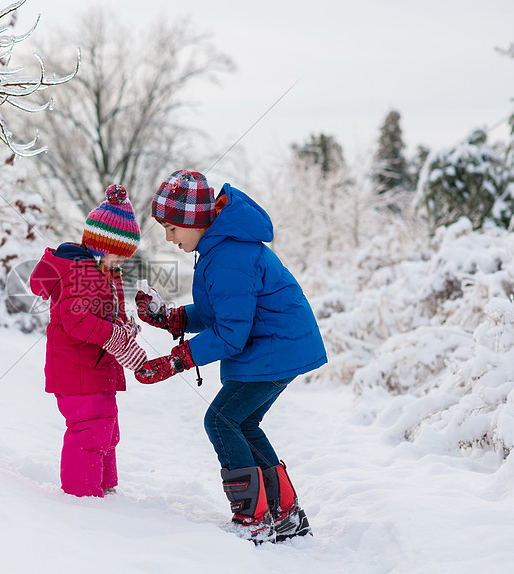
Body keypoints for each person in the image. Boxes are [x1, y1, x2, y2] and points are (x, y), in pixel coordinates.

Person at [134, 170, 327, 543]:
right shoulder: (221, 248)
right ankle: (285, 515)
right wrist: (171, 317)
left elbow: (231, 335)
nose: (169, 238)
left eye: (172, 229)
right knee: (243, 424)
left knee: (221, 422)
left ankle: (253, 519)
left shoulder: (228, 256)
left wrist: (178, 359)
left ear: (194, 221)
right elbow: (223, 313)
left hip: (274, 349)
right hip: (278, 347)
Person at [29, 184, 147, 498]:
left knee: (106, 430)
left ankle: (104, 488)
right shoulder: (82, 274)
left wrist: (122, 326)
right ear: (99, 245)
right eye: (118, 254)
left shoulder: (102, 274)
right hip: (78, 372)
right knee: (90, 430)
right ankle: (83, 496)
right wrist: (112, 333)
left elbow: (103, 313)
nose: (121, 262)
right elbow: (75, 320)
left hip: (95, 370)